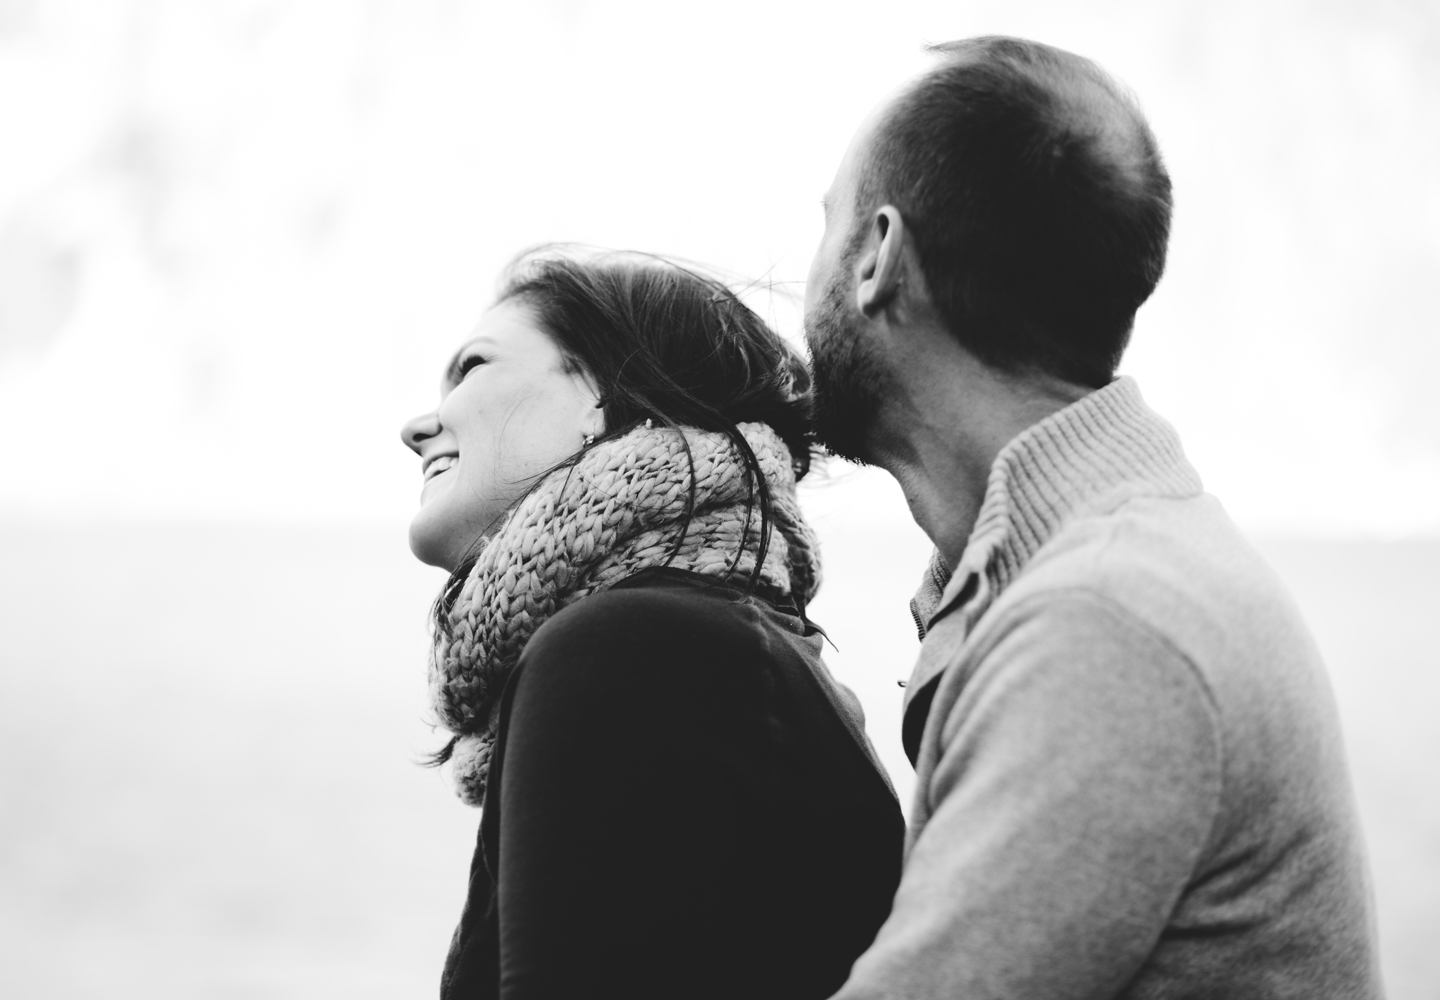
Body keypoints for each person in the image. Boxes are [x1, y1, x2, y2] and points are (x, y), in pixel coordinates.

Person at [804, 36, 1382, 999]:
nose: (806, 273)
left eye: (828, 224)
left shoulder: (1105, 626)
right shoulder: (1107, 562)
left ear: (878, 258)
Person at [399, 247, 904, 999]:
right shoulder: (720, 641)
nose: (416, 426)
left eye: (472, 367)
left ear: (602, 396)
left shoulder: (631, 648)